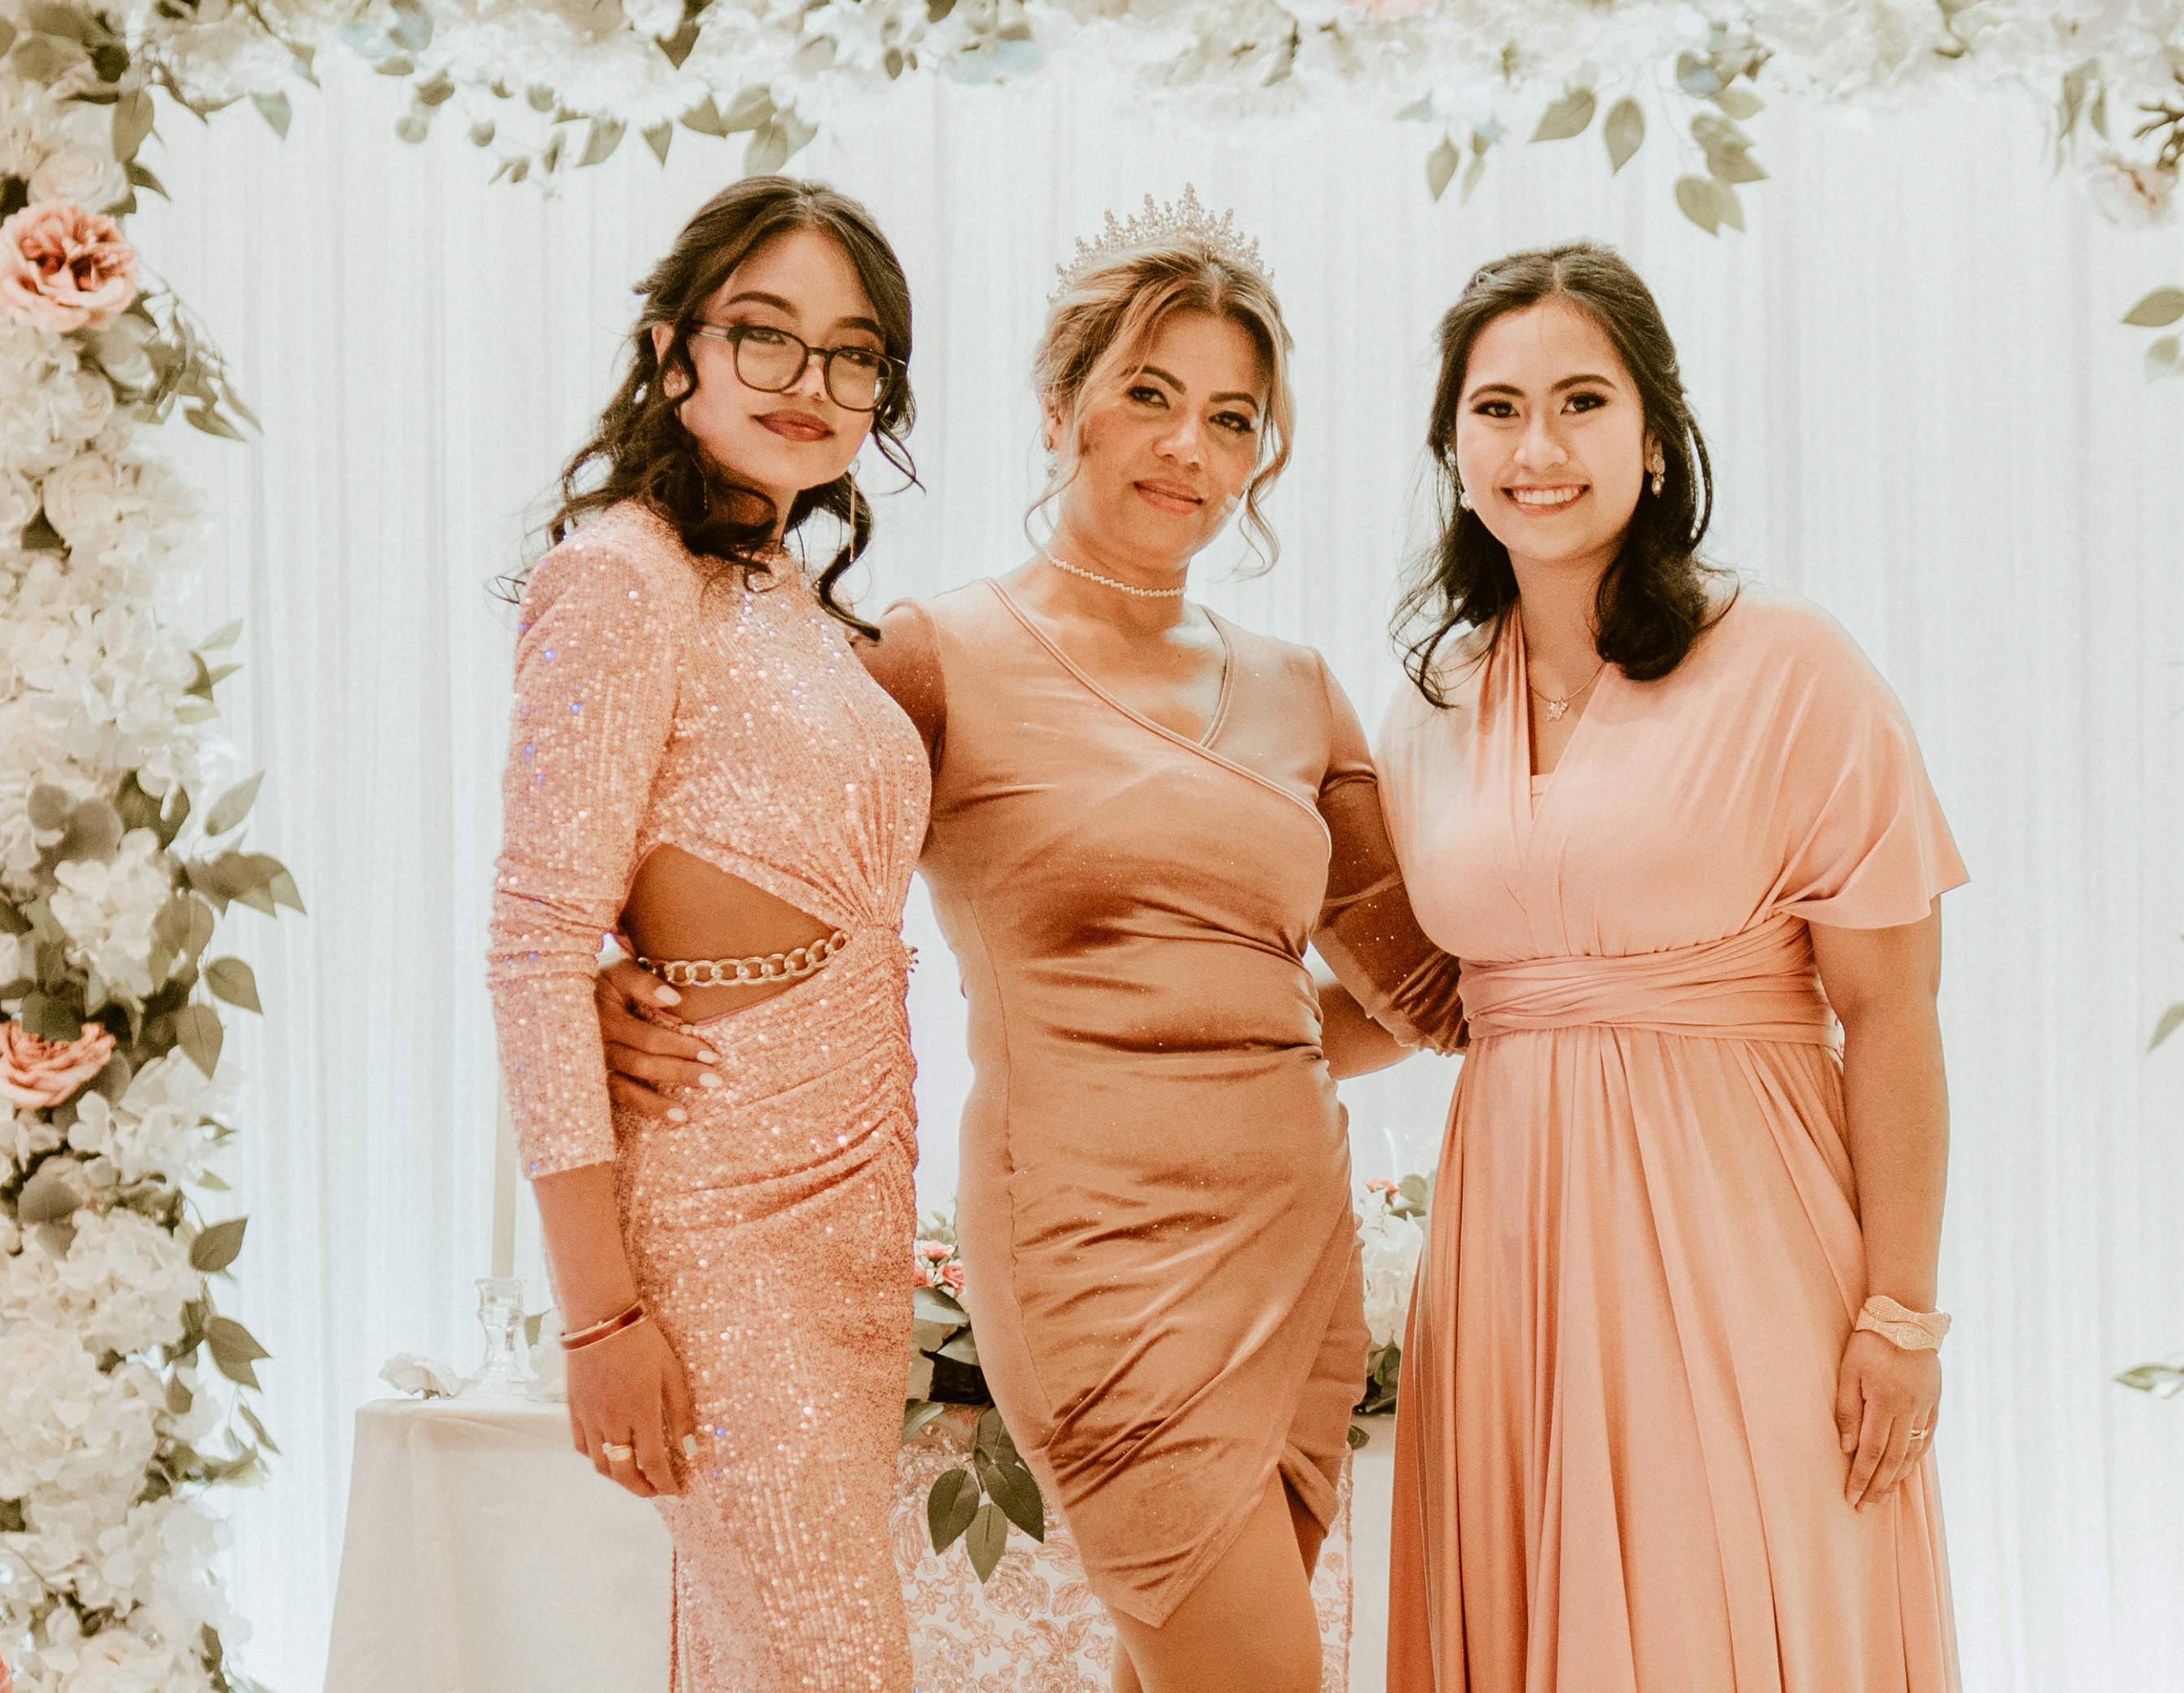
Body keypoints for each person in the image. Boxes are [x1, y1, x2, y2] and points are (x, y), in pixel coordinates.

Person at [601, 192, 1463, 1693]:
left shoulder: (1300, 687)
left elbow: (1426, 989)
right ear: (1061, 407)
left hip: (1294, 1244)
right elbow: (741, 832)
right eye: (1148, 395)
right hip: (1090, 1256)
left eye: (1232, 419)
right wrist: (628, 969)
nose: (1187, 447)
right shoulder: (934, 657)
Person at [1377, 242, 1969, 1690]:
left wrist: (1901, 1314)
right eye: (1498, 409)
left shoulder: (1789, 665)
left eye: (1583, 402)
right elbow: (1424, 1000)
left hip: (1739, 1230)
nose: (1539, 447)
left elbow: (1892, 1008)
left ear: (1655, 439)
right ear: (1454, 450)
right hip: (1509, 1246)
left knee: (1743, 1602)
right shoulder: (1430, 704)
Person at [487, 175, 930, 1690]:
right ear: (676, 351)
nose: (811, 381)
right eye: (766, 334)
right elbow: (537, 946)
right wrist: (597, 1316)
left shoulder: (782, 591)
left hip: (854, 1210)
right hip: (719, 1230)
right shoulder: (619, 577)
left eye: (853, 354)